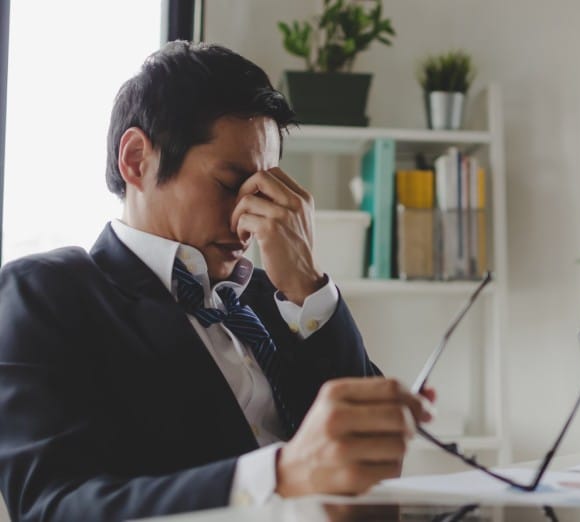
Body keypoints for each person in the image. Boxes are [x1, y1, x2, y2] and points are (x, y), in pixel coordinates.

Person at [0, 41, 434, 521]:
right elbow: (52, 508)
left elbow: (366, 465)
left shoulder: (280, 298)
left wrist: (308, 286)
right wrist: (279, 476)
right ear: (136, 159)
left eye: (266, 192)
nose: (250, 221)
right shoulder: (45, 295)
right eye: (231, 185)